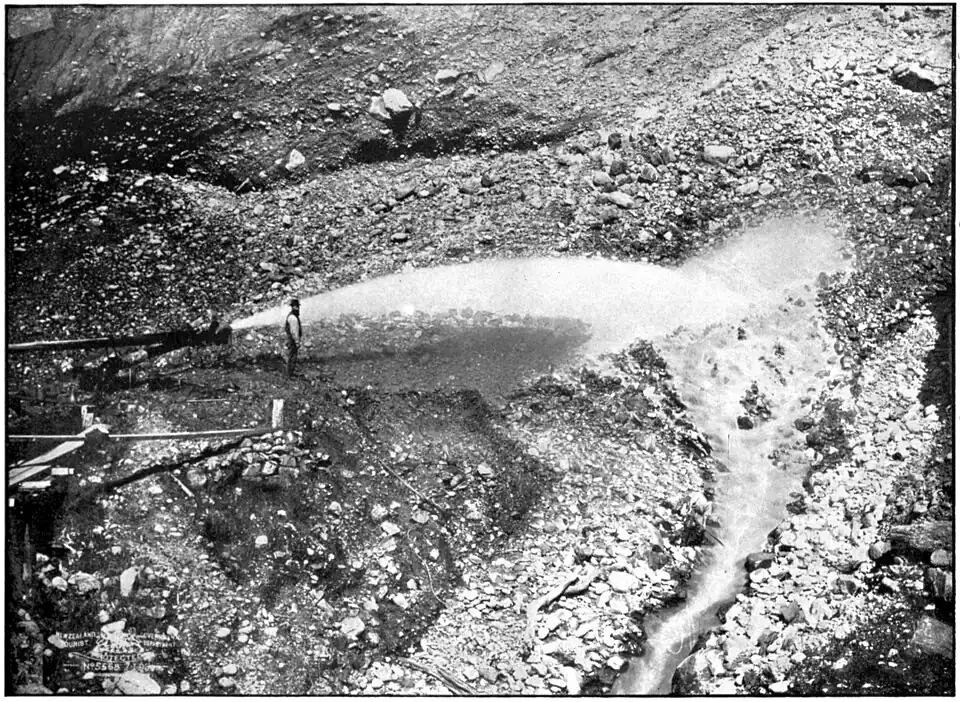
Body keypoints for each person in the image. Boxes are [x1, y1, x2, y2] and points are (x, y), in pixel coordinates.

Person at [284, 298, 302, 378]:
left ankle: (290, 373)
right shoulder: (293, 318)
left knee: (291, 356)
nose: (297, 308)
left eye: (297, 306)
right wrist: (297, 342)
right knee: (292, 357)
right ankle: (290, 374)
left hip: (291, 339)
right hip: (293, 340)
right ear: (292, 307)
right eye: (296, 306)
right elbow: (294, 331)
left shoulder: (292, 316)